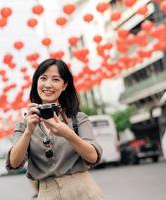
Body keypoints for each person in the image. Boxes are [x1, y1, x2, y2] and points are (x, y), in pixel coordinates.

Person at [6, 58, 104, 199]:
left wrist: (68, 134)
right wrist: (28, 131)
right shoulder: (25, 124)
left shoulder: (78, 118)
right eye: (43, 78)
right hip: (47, 193)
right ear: (36, 82)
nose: (48, 84)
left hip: (83, 191)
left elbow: (93, 156)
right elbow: (14, 163)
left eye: (56, 79)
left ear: (64, 85)